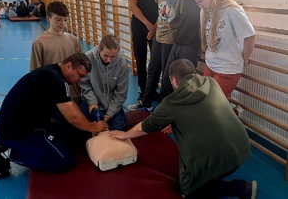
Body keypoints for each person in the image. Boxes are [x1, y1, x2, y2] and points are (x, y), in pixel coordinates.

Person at [110, 59, 257, 199]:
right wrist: (179, 121)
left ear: (174, 80)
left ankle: (241, 188)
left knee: (188, 191)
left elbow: (146, 127)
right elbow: (205, 113)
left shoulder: (171, 103)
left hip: (220, 160)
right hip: (242, 148)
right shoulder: (211, 82)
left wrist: (125, 134)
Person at [0, 53, 109, 179]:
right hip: (17, 132)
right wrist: (94, 127)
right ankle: (6, 151)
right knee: (64, 161)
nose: (80, 80)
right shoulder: (54, 79)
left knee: (74, 138)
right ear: (69, 66)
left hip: (34, 122)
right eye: (80, 75)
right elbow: (72, 118)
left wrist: (90, 126)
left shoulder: (56, 74)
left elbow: (71, 104)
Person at [128, 0, 185, 110]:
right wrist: (153, 30)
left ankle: (162, 106)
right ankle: (145, 102)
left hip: (170, 40)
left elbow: (183, 20)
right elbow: (161, 12)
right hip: (158, 36)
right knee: (152, 70)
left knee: (166, 74)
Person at [190, 0, 256, 98]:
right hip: (211, 64)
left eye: (200, 1)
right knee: (209, 100)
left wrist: (245, 58)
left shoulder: (231, 10)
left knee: (211, 103)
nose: (199, 5)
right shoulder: (204, 11)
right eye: (197, 3)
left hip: (228, 68)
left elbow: (250, 36)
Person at [29, 1, 83, 103]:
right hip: (51, 94)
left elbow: (80, 67)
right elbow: (35, 72)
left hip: (73, 94)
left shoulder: (73, 40)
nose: (62, 23)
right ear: (48, 18)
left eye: (65, 20)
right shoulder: (39, 42)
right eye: (58, 20)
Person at [159, 0, 201, 99]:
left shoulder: (201, 3)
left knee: (184, 84)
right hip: (178, 43)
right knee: (167, 78)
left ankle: (179, 113)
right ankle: (164, 108)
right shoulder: (187, 0)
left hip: (191, 46)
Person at [80, 34, 128, 131]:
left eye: (113, 56)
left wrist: (109, 114)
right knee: (83, 129)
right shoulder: (87, 58)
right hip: (92, 102)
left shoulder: (122, 63)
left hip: (111, 103)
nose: (109, 60)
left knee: (118, 129)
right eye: (106, 55)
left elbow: (120, 93)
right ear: (99, 48)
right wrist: (92, 103)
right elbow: (85, 85)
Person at [128, 0, 159, 103]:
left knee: (155, 61)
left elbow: (163, 7)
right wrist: (147, 24)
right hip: (140, 26)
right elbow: (133, 6)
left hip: (157, 28)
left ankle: (152, 90)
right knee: (140, 59)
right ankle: (143, 90)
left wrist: (154, 28)